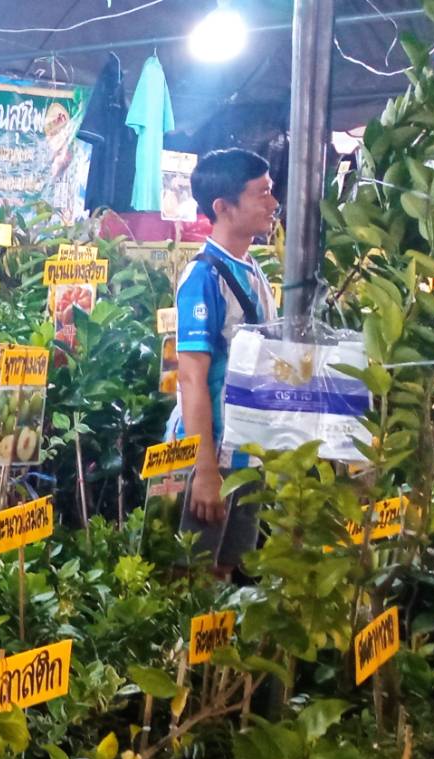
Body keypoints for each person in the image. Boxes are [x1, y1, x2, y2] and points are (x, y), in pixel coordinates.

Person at [171, 148, 278, 573]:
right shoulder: (203, 277)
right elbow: (191, 379)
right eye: (262, 194)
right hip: (211, 456)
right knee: (190, 579)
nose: (273, 203)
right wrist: (204, 470)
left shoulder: (254, 272)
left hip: (247, 458)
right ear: (223, 207)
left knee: (225, 572)